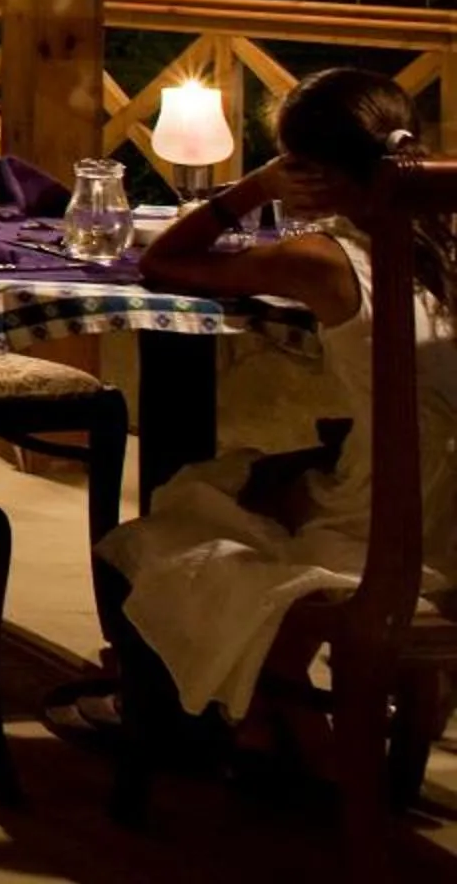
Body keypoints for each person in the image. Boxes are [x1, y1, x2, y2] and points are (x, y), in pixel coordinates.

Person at [87, 70, 455, 752]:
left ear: (308, 170)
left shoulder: (321, 260)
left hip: (392, 520)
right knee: (266, 479)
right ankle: (283, 713)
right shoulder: (444, 231)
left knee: (191, 504)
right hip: (446, 500)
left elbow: (163, 262)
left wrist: (253, 187)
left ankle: (248, 716)